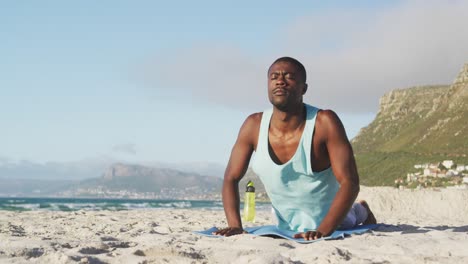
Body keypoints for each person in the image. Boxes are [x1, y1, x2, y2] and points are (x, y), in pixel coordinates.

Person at [214, 57, 376, 240]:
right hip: (285, 223)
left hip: (333, 219)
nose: (280, 81)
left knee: (350, 218)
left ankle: (362, 209)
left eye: (289, 76)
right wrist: (235, 225)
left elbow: (350, 182)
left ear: (304, 88)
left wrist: (323, 231)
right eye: (274, 76)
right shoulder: (253, 125)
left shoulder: (325, 123)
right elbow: (230, 177)